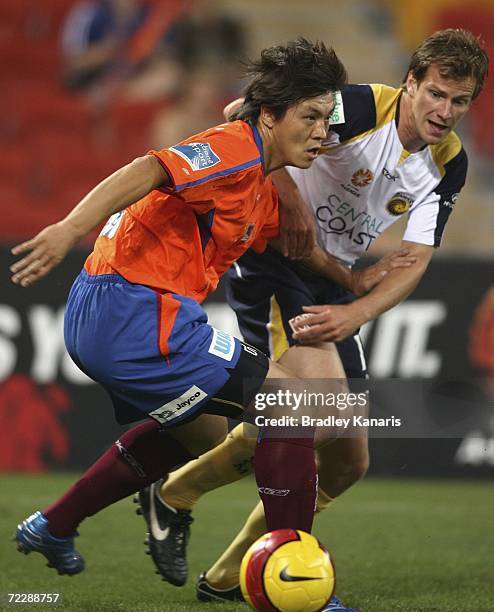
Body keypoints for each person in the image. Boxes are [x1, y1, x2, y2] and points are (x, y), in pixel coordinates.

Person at [132, 28, 489, 610]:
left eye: (459, 101)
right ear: (410, 85)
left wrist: (358, 310)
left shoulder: (448, 161)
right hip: (273, 259)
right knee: (310, 417)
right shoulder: (359, 108)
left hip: (331, 278)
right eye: (436, 95)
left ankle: (228, 575)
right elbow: (241, 114)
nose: (445, 112)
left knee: (349, 462)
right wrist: (286, 197)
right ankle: (180, 494)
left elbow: (415, 258)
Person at [11, 37, 361, 580]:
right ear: (269, 116)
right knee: (291, 405)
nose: (322, 132)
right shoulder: (233, 146)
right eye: (310, 116)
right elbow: (149, 169)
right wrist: (67, 229)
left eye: (327, 118)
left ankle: (52, 526)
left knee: (201, 433)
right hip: (132, 308)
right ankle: (291, 567)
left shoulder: (261, 191)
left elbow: (300, 250)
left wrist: (356, 280)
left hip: (118, 312)